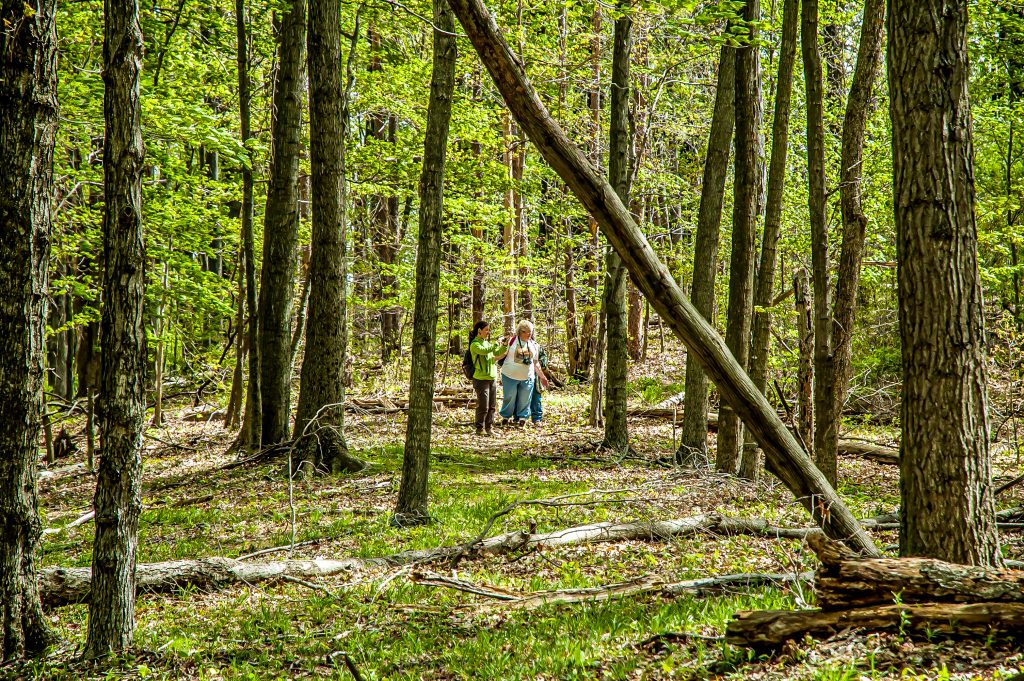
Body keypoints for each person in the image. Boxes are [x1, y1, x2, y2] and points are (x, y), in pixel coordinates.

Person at [499, 319, 549, 426]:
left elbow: (535, 363)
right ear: (520, 332)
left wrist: (542, 377)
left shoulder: (534, 345)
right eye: (525, 332)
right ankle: (506, 417)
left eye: (530, 332)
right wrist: (491, 361)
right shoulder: (511, 341)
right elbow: (501, 354)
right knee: (510, 398)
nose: (528, 334)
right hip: (509, 375)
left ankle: (523, 419)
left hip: (527, 377)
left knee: (525, 399)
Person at [469, 320, 508, 437]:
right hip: (481, 379)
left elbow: (497, 352)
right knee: (483, 405)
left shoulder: (487, 343)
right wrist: (496, 343)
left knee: (491, 405)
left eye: (488, 330)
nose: (488, 332)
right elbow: (484, 351)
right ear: (479, 331)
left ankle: (489, 427)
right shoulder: (475, 344)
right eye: (486, 330)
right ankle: (480, 428)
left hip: (492, 378)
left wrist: (504, 345)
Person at [530, 341, 549, 425]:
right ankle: (518, 418)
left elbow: (544, 360)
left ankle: (537, 418)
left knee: (536, 397)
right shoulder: (516, 343)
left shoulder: (536, 346)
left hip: (535, 375)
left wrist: (538, 364)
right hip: (519, 375)